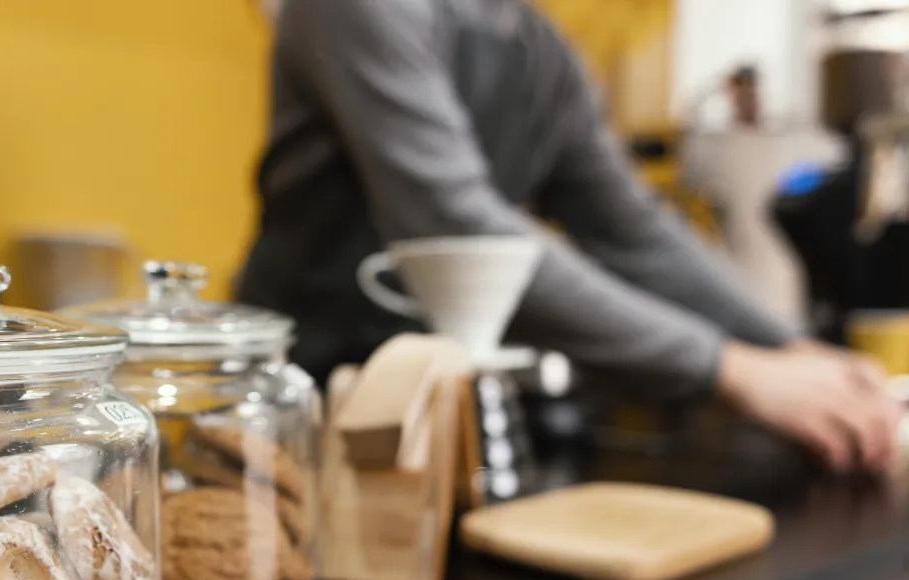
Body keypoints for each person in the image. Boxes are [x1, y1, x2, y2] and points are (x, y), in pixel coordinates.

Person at [235, 0, 901, 472]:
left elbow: (634, 231)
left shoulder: (539, 49)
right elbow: (459, 223)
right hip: (304, 397)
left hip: (443, 406)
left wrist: (791, 349)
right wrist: (731, 369)